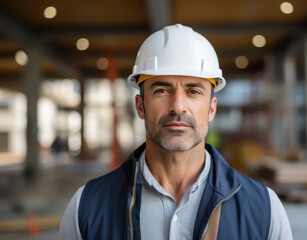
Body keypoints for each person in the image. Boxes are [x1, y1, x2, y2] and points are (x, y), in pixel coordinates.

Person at [59, 24, 292, 240]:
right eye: (162, 90)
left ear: (211, 109)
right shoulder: (87, 206)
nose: (178, 106)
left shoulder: (264, 208)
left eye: (193, 91)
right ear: (140, 106)